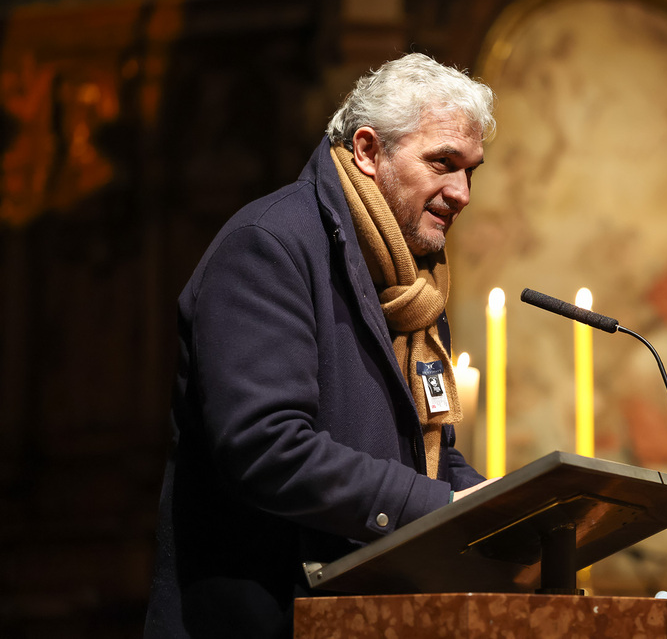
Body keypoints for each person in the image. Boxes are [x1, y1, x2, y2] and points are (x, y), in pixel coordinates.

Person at [144, 53, 498, 638]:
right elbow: (266, 447)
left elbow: (428, 454)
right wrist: (439, 509)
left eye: (471, 172)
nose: (461, 192)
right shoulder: (268, 245)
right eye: (443, 163)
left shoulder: (415, 287)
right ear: (368, 151)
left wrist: (501, 511)